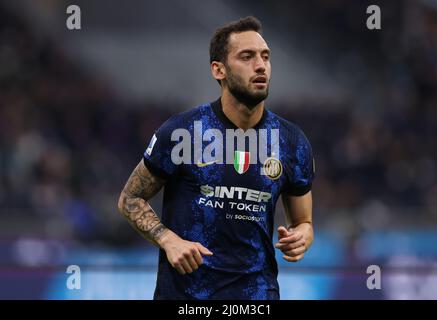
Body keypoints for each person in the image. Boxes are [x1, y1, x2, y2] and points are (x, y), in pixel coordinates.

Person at [117, 16, 315, 300]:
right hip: (186, 298)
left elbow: (304, 223)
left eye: (265, 56)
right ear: (218, 70)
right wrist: (168, 240)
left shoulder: (292, 142)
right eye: (246, 57)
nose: (260, 65)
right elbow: (129, 199)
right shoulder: (182, 132)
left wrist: (302, 238)